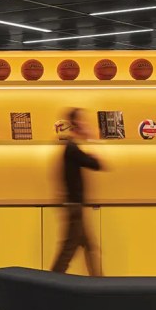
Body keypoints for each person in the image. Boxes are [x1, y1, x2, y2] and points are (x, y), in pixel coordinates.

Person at [51, 107, 103, 276]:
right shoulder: (72, 148)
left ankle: (98, 280)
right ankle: (53, 280)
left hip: (74, 205)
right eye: (82, 121)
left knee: (89, 246)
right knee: (69, 248)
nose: (85, 124)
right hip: (75, 206)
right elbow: (96, 164)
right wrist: (92, 139)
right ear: (75, 124)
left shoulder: (71, 148)